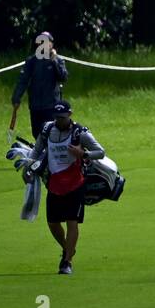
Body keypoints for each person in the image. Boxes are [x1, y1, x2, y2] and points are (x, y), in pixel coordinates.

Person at [27, 100, 104, 274]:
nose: (59, 120)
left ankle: (67, 262)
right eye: (56, 117)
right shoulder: (47, 130)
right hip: (54, 184)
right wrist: (29, 165)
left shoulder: (80, 133)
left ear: (70, 115)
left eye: (62, 117)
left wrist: (83, 153)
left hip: (75, 183)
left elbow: (100, 151)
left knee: (72, 222)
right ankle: (68, 248)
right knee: (52, 223)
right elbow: (37, 149)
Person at [11, 31, 69, 139]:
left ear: (51, 44)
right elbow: (23, 81)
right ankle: (40, 154)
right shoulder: (31, 61)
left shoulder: (58, 60)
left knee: (52, 133)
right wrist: (16, 98)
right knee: (37, 133)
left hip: (51, 106)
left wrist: (54, 61)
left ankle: (50, 154)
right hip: (35, 105)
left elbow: (63, 77)